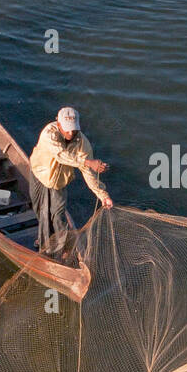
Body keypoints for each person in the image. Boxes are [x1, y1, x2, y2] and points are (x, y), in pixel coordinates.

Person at [28, 106, 112, 261]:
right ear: (58, 124)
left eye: (73, 130)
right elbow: (61, 155)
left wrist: (103, 195)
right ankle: (44, 241)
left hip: (59, 183)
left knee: (58, 216)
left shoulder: (82, 143)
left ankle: (57, 253)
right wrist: (88, 162)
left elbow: (89, 173)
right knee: (42, 212)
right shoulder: (49, 133)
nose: (70, 133)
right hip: (39, 175)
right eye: (66, 129)